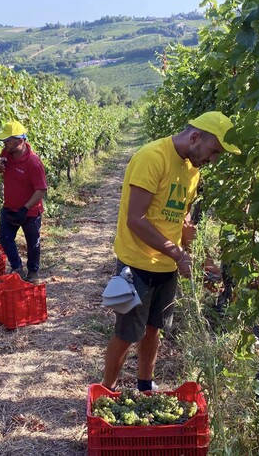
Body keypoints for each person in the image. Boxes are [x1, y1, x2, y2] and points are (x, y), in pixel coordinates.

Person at [101, 111, 241, 392]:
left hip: (165, 266)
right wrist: (178, 255)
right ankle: (106, 390)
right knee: (128, 333)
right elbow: (136, 219)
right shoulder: (152, 157)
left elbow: (183, 220)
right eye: (214, 151)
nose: (213, 160)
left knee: (154, 328)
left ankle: (145, 385)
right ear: (195, 136)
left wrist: (200, 257)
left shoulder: (192, 170)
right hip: (137, 263)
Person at [0, 120, 48, 283]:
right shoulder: (6, 154)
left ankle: (33, 272)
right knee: (5, 238)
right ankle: (17, 267)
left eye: (7, 140)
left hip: (30, 211)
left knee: (33, 244)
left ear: (19, 140)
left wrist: (25, 208)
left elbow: (41, 189)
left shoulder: (33, 162)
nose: (4, 143)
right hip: (9, 208)